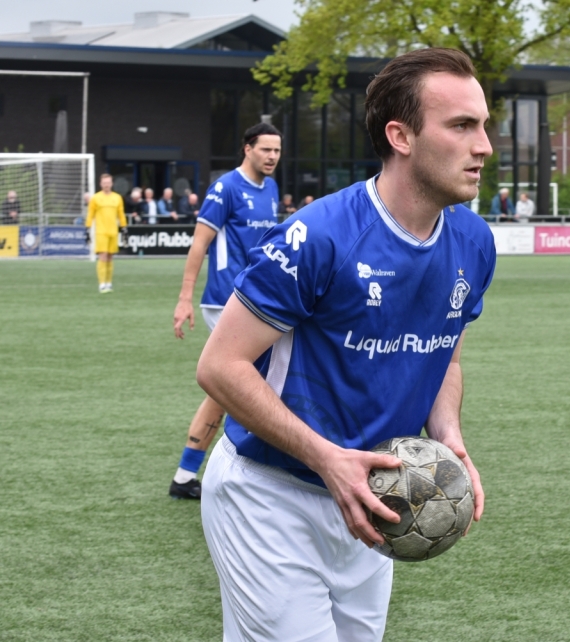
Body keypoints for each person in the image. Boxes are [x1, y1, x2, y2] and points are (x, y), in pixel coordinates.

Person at [196, 47, 495, 641]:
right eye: (462, 125)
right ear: (401, 136)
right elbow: (220, 366)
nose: (484, 145)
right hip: (270, 496)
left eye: (484, 125)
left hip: (375, 500)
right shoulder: (319, 236)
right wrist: (328, 459)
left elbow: (446, 355)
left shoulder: (474, 242)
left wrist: (448, 436)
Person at [169, 122, 282, 500]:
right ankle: (249, 475)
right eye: (265, 149)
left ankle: (185, 475)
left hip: (257, 299)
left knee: (227, 391)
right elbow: (199, 245)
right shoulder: (226, 188)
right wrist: (185, 298)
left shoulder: (271, 189)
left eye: (277, 150)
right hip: (225, 300)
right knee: (253, 387)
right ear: (247, 149)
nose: (272, 156)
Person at [84, 174, 128, 293]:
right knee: (103, 255)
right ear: (101, 184)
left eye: (108, 182)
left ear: (112, 183)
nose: (106, 185)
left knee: (110, 257)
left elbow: (121, 214)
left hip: (113, 231)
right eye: (104, 183)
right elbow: (90, 215)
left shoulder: (117, 198)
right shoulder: (96, 198)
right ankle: (102, 284)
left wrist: (124, 228)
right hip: (101, 232)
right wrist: (87, 229)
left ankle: (108, 283)